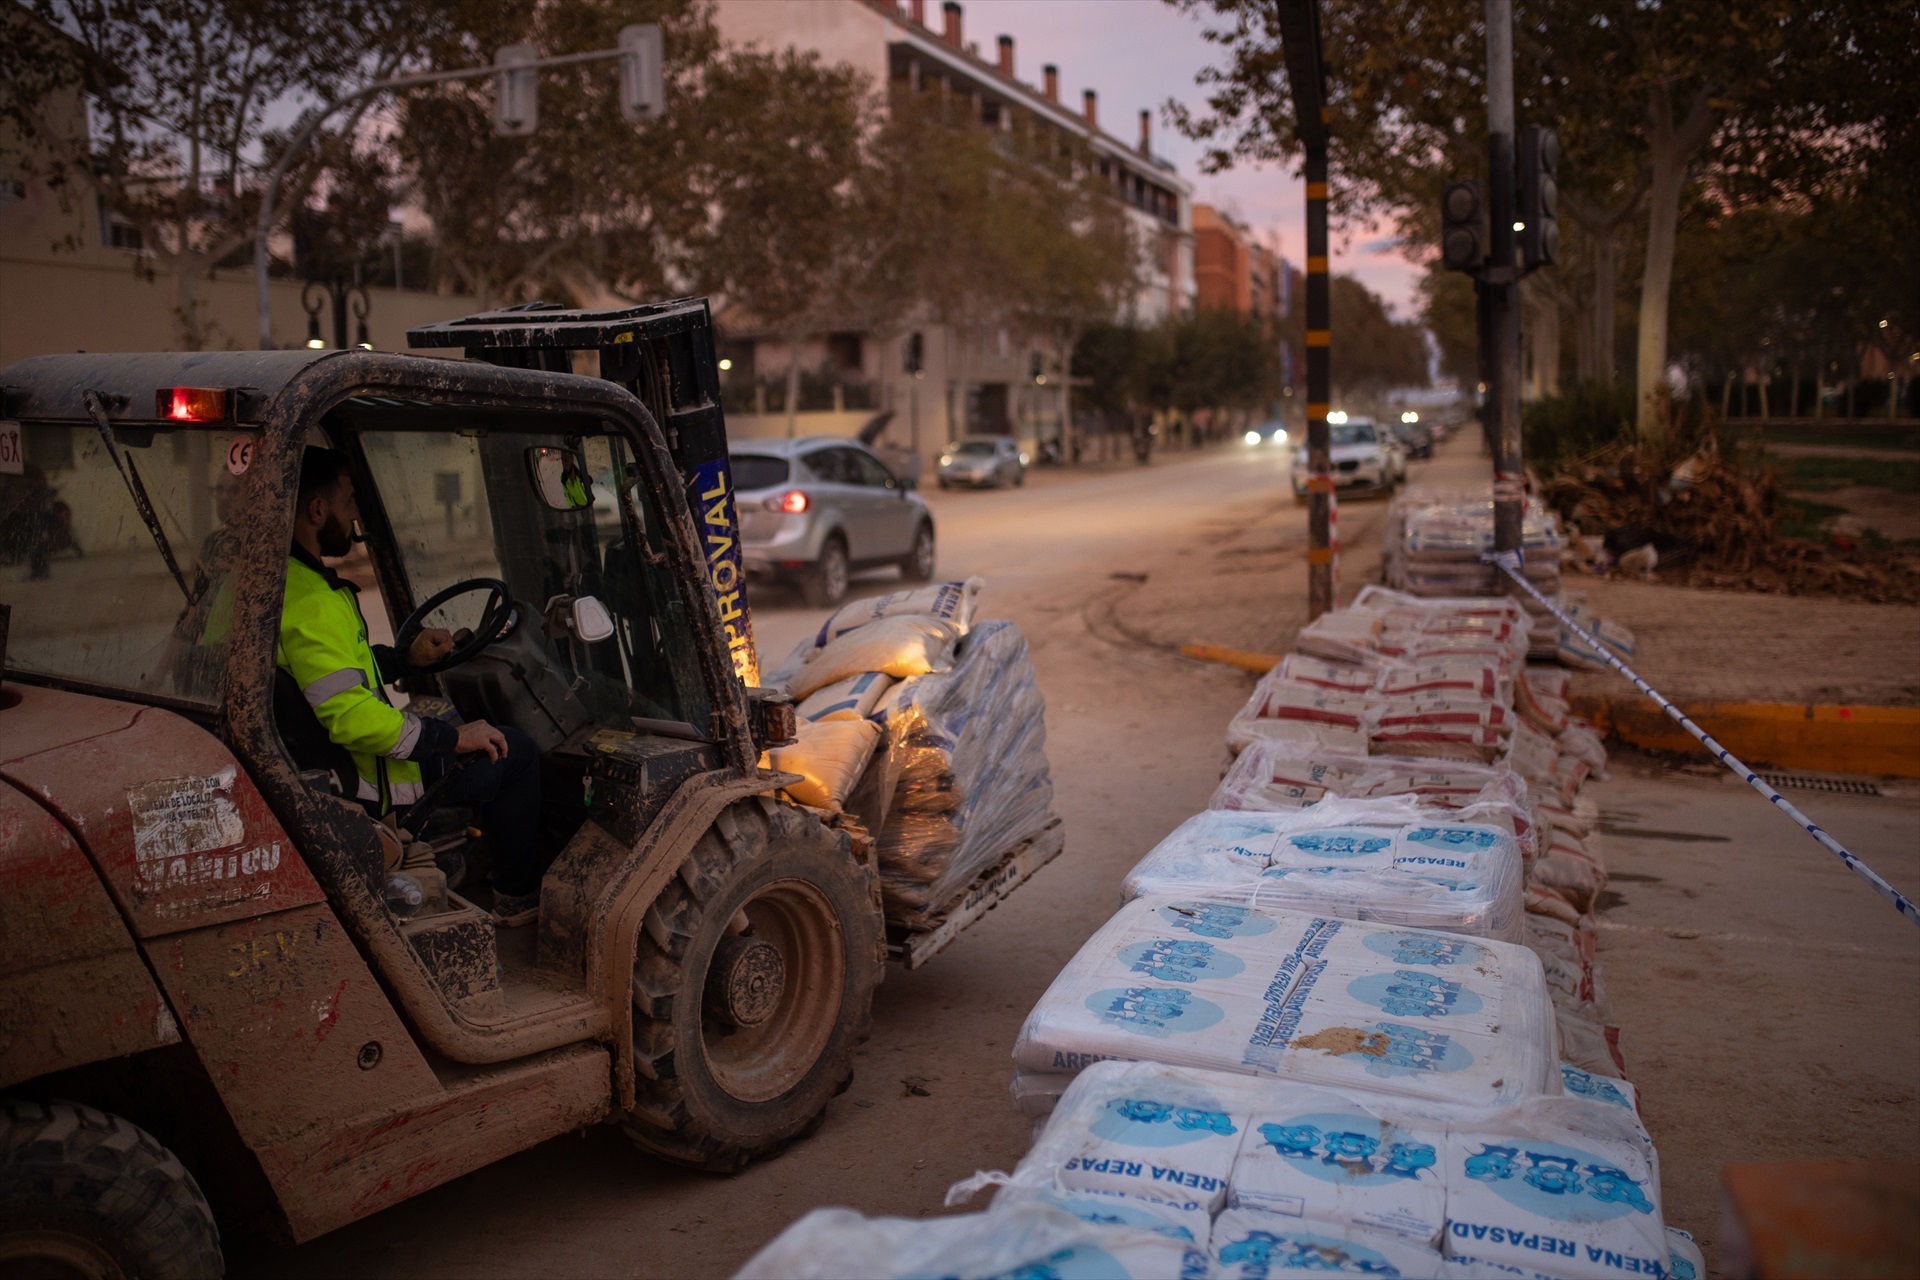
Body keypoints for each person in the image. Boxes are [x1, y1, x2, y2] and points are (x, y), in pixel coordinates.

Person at [279, 448, 550, 925]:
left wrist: (404, 658)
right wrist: (452, 738)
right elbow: (352, 718)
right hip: (364, 784)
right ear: (317, 511)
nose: (353, 514)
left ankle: (470, 857)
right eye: (346, 504)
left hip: (316, 765)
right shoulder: (312, 603)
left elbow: (327, 679)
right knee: (514, 751)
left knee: (448, 726)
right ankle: (516, 897)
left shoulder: (277, 583)